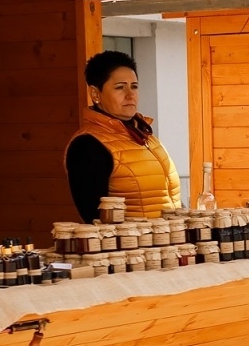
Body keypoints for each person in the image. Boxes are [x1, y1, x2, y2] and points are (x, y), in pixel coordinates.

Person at [67, 50, 183, 222]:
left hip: (168, 244)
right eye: (120, 87)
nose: (130, 95)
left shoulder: (145, 135)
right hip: (133, 248)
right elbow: (95, 218)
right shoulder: (88, 144)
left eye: (134, 86)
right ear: (95, 94)